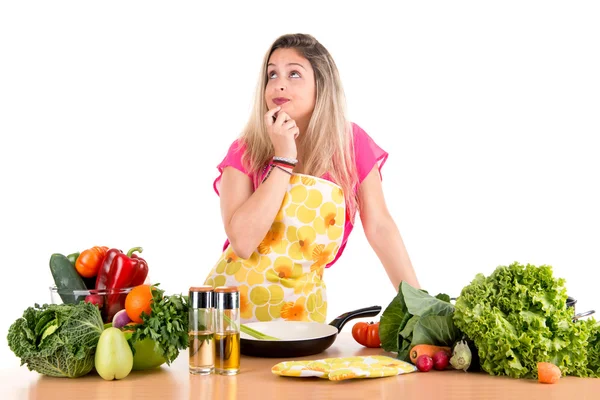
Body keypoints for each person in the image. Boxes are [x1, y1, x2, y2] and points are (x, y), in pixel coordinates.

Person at [204, 33, 420, 324]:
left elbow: (381, 228)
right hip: (228, 323)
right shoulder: (245, 150)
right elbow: (242, 242)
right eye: (272, 74)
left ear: (321, 84)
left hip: (303, 321)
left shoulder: (350, 144)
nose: (279, 83)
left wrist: (420, 307)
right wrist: (283, 157)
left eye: (294, 73)